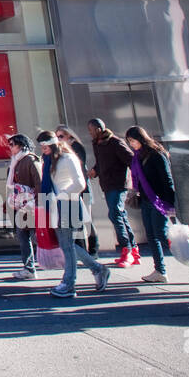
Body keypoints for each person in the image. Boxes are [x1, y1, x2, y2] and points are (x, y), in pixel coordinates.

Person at [37, 131, 110, 298]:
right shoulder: (48, 161)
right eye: (41, 147)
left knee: (67, 245)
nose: (43, 150)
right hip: (56, 204)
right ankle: (98, 269)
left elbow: (80, 183)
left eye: (45, 146)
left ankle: (69, 283)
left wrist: (60, 196)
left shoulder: (67, 158)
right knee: (66, 244)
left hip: (67, 203)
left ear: (53, 145)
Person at [126, 125, 189, 284]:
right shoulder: (137, 157)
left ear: (141, 139)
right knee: (152, 236)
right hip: (146, 200)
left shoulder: (156, 155)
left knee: (162, 234)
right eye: (129, 141)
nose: (131, 144)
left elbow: (167, 180)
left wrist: (170, 204)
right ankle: (160, 270)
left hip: (160, 201)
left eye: (132, 140)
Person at [88, 118, 139, 267]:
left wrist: (134, 182)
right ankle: (133, 249)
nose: (90, 133)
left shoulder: (115, 142)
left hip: (118, 184)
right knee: (120, 215)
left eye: (91, 130)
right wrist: (95, 171)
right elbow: (102, 162)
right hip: (108, 184)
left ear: (98, 129)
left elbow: (131, 160)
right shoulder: (97, 144)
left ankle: (127, 249)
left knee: (115, 214)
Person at [56, 124, 98, 256]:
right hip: (72, 190)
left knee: (87, 220)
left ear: (69, 135)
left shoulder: (75, 148)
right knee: (79, 222)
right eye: (57, 137)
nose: (59, 139)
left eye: (61, 136)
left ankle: (93, 249)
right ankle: (84, 250)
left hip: (81, 189)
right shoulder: (63, 150)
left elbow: (79, 169)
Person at [5, 134, 41, 279]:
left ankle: (59, 261)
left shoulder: (30, 160)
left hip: (32, 205)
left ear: (21, 145)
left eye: (12, 144)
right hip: (21, 205)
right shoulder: (16, 161)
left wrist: (38, 204)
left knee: (35, 237)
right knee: (23, 236)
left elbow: (39, 182)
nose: (10, 147)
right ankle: (29, 268)